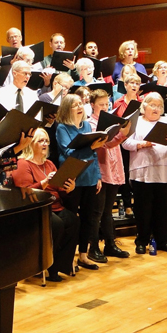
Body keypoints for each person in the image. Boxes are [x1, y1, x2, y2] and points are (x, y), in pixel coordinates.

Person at [12, 128, 79, 282]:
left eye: (46, 141)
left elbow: (60, 188)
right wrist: (44, 182)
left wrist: (69, 188)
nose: (45, 144)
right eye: (40, 141)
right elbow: (25, 193)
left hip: (54, 205)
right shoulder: (23, 164)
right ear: (31, 144)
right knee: (57, 225)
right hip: (35, 209)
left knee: (73, 221)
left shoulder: (49, 164)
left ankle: (60, 264)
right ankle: (48, 266)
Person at [122, 92, 167, 254]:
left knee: (163, 209)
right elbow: (125, 142)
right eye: (153, 105)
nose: (156, 108)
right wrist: (142, 144)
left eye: (159, 106)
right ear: (145, 106)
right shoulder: (137, 121)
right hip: (143, 171)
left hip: (165, 171)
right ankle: (141, 241)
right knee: (143, 210)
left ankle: (162, 241)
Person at [55, 94, 107, 270]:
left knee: (88, 218)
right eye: (75, 105)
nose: (79, 107)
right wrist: (90, 147)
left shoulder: (86, 125)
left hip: (90, 176)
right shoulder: (62, 128)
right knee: (71, 218)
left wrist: (98, 175)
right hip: (73, 177)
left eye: (80, 104)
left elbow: (93, 154)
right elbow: (68, 152)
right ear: (66, 109)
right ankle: (68, 258)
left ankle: (83, 255)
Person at [88, 89, 131, 258]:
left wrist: (124, 131)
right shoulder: (91, 123)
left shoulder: (112, 122)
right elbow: (104, 144)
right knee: (97, 211)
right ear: (92, 105)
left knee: (107, 211)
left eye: (107, 104)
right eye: (101, 105)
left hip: (114, 169)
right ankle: (93, 248)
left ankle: (110, 244)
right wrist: (122, 135)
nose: (105, 107)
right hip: (100, 170)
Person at [112, 73, 143, 217]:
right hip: (123, 140)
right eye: (131, 83)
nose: (134, 86)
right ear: (125, 85)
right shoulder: (118, 103)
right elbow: (115, 123)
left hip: (138, 140)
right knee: (125, 172)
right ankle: (127, 204)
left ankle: (138, 203)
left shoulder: (143, 102)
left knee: (137, 172)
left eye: (137, 83)